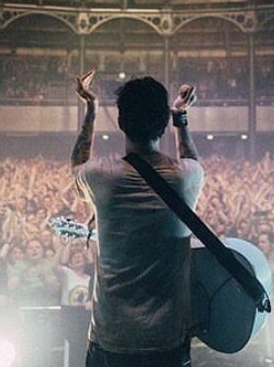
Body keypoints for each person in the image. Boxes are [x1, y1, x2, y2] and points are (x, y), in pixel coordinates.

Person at [71, 72, 204, 367]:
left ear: (121, 122)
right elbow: (192, 161)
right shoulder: (186, 178)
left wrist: (91, 109)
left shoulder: (102, 176)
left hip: (112, 340)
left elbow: (77, 164)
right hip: (167, 342)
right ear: (163, 122)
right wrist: (180, 117)